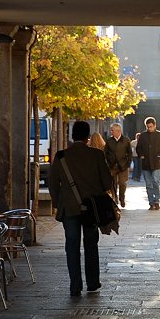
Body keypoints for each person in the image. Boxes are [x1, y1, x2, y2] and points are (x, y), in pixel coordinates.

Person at [47, 121, 112, 297]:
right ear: (87, 137)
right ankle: (92, 282)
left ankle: (75, 285)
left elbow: (52, 184)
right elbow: (107, 183)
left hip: (69, 208)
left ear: (71, 135)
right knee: (91, 244)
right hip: (91, 208)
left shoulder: (61, 157)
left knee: (72, 245)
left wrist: (58, 203)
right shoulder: (97, 155)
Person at [137, 116, 160, 210]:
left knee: (155, 181)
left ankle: (157, 200)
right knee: (148, 183)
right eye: (147, 127)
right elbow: (138, 147)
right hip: (146, 163)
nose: (149, 128)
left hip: (156, 162)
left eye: (151, 126)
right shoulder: (143, 136)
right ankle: (151, 202)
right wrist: (141, 155)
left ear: (154, 125)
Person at [104, 122, 132, 208]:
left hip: (123, 166)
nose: (111, 132)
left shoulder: (126, 140)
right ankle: (115, 197)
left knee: (122, 183)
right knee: (113, 183)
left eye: (112, 130)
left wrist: (127, 163)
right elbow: (106, 153)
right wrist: (108, 162)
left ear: (118, 131)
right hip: (112, 166)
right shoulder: (109, 141)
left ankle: (122, 197)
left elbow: (130, 153)